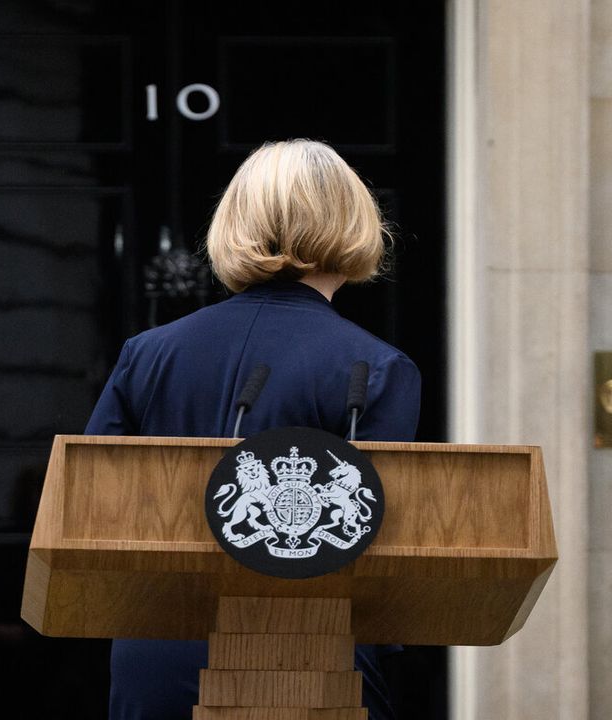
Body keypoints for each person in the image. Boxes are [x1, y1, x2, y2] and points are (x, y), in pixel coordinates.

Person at [85, 139, 422, 720]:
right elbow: (381, 548)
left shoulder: (146, 354)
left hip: (155, 649)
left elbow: (89, 503)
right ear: (353, 224)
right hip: (311, 655)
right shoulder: (377, 368)